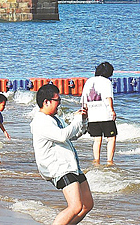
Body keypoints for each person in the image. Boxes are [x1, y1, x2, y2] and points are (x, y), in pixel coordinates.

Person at [30, 83, 93, 225]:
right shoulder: (40, 121)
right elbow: (62, 136)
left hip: (71, 165)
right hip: (59, 168)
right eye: (57, 100)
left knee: (87, 204)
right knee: (75, 206)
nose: (59, 104)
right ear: (46, 102)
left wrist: (82, 120)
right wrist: (76, 120)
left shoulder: (54, 118)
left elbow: (73, 135)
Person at [80, 62, 117, 164]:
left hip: (92, 115)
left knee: (97, 139)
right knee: (111, 139)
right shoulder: (106, 82)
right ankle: (109, 161)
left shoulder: (89, 81)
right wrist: (112, 110)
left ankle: (96, 160)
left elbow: (84, 98)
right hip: (105, 115)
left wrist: (85, 111)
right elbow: (108, 97)